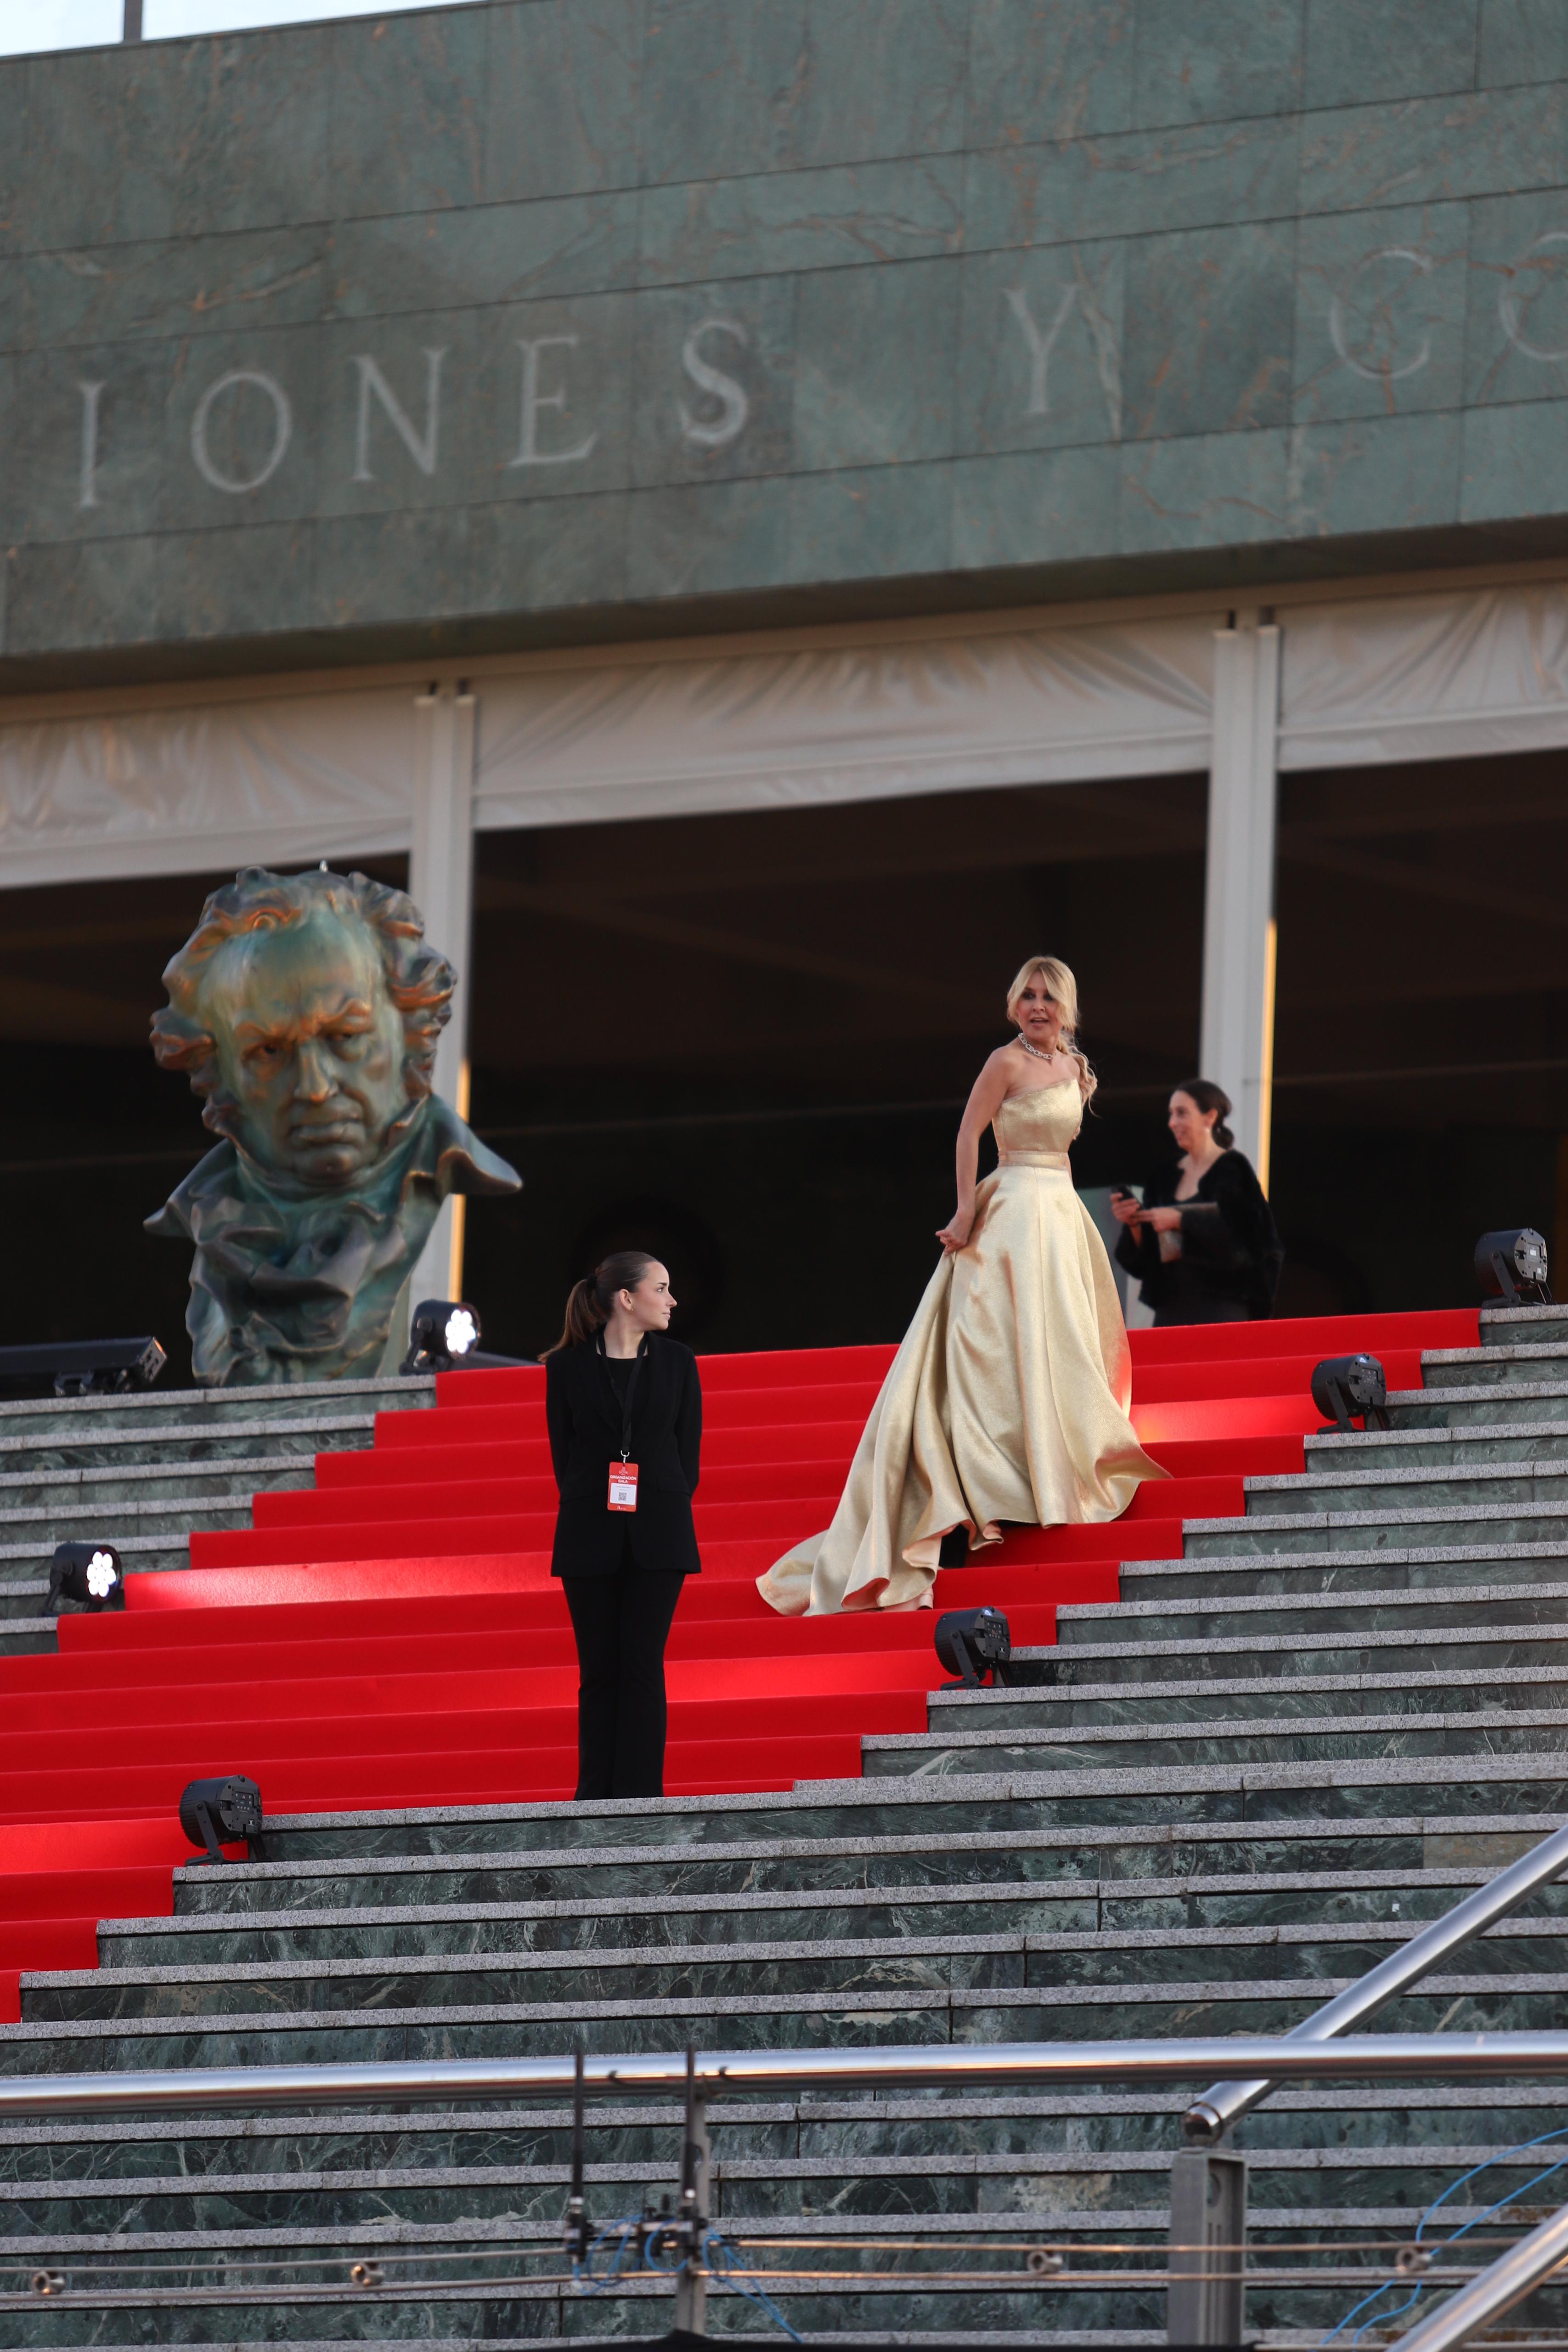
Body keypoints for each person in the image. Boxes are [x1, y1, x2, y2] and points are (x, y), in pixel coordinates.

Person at [758, 956, 1167, 1619]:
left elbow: (1060, 1148)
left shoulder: (1074, 1067)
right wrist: (964, 1210)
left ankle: (1045, 1476)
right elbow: (966, 1132)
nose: (1037, 1006)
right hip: (1005, 1217)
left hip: (1059, 1214)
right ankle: (970, 1497)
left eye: (1047, 996)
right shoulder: (1002, 1063)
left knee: (1057, 1347)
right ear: (1014, 1004)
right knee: (988, 1357)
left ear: (1065, 1005)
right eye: (1027, 996)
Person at [543, 1252, 702, 1799]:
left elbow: (689, 1458)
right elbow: (564, 1456)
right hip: (589, 1532)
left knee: (641, 1663)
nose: (672, 1299)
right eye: (662, 1287)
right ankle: (593, 1795)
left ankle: (639, 1796)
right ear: (627, 1298)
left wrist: (656, 1499)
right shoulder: (566, 1367)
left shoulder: (679, 1361)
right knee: (597, 1670)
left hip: (660, 1532)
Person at [1111, 1079, 1282, 1326]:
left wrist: (1181, 1219)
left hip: (1222, 1312)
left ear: (1210, 1117)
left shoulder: (1233, 1171)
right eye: (1171, 1114)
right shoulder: (1165, 1176)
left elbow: (1252, 1242)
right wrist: (1135, 1224)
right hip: (1170, 1312)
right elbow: (1146, 1264)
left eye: (1182, 1113)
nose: (1172, 1123)